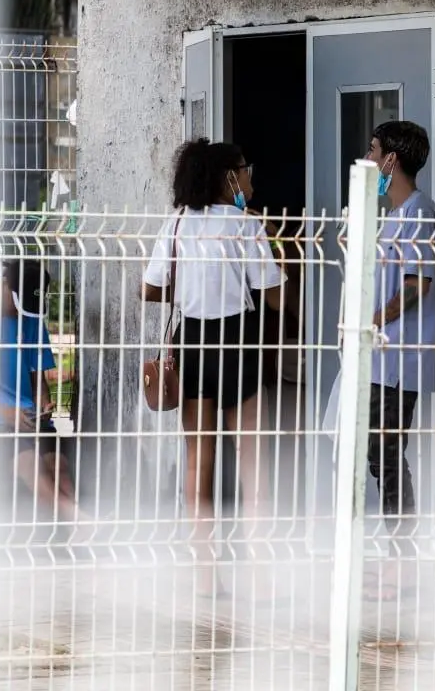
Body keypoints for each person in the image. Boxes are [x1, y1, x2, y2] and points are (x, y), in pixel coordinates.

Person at [142, 139, 287, 599]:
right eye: (245, 170)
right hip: (236, 342)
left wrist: (188, 292)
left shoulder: (178, 222)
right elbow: (275, 295)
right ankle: (261, 579)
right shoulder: (246, 225)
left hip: (193, 345)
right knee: (252, 463)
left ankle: (205, 576)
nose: (249, 178)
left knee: (198, 464)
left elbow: (149, 289)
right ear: (229, 177)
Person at [361, 120, 435, 600]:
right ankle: (396, 559)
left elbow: (417, 284)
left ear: (392, 159)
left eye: (373, 150)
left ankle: (403, 565)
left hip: (401, 360)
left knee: (388, 458)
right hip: (381, 360)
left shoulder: (420, 212)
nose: (369, 159)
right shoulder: (391, 214)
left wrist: (374, 318)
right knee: (379, 457)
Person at [0, 258, 82, 526]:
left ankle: (75, 523)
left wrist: (44, 402)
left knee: (58, 465)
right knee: (29, 463)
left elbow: (37, 375)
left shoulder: (29, 316)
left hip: (28, 417)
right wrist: (6, 413)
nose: (22, 316)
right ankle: (79, 521)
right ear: (6, 286)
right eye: (19, 308)